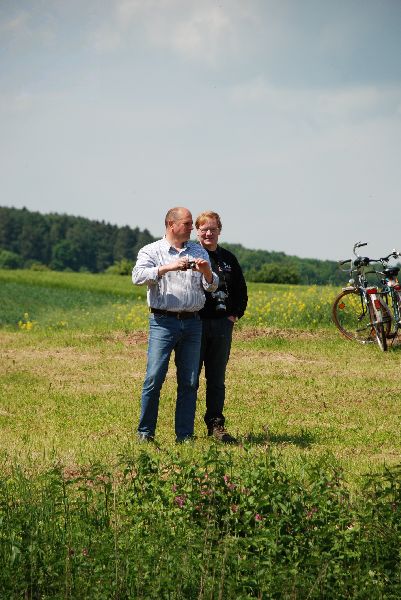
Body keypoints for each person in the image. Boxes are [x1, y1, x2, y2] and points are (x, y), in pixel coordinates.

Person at [132, 207, 218, 443]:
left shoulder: (198, 251)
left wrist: (207, 272)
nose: (193, 228)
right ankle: (145, 433)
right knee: (154, 378)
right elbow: (137, 277)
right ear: (172, 224)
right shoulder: (152, 250)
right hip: (163, 322)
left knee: (189, 381)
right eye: (188, 224)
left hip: (192, 323)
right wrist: (167, 267)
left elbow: (211, 287)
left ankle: (185, 435)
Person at [195, 211, 248, 443]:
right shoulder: (191, 255)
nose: (208, 233)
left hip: (221, 325)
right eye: (204, 229)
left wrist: (234, 315)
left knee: (217, 378)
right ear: (197, 231)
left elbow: (241, 290)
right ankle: (185, 427)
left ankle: (216, 424)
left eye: (213, 229)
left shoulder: (228, 258)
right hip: (194, 325)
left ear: (219, 231)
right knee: (190, 378)